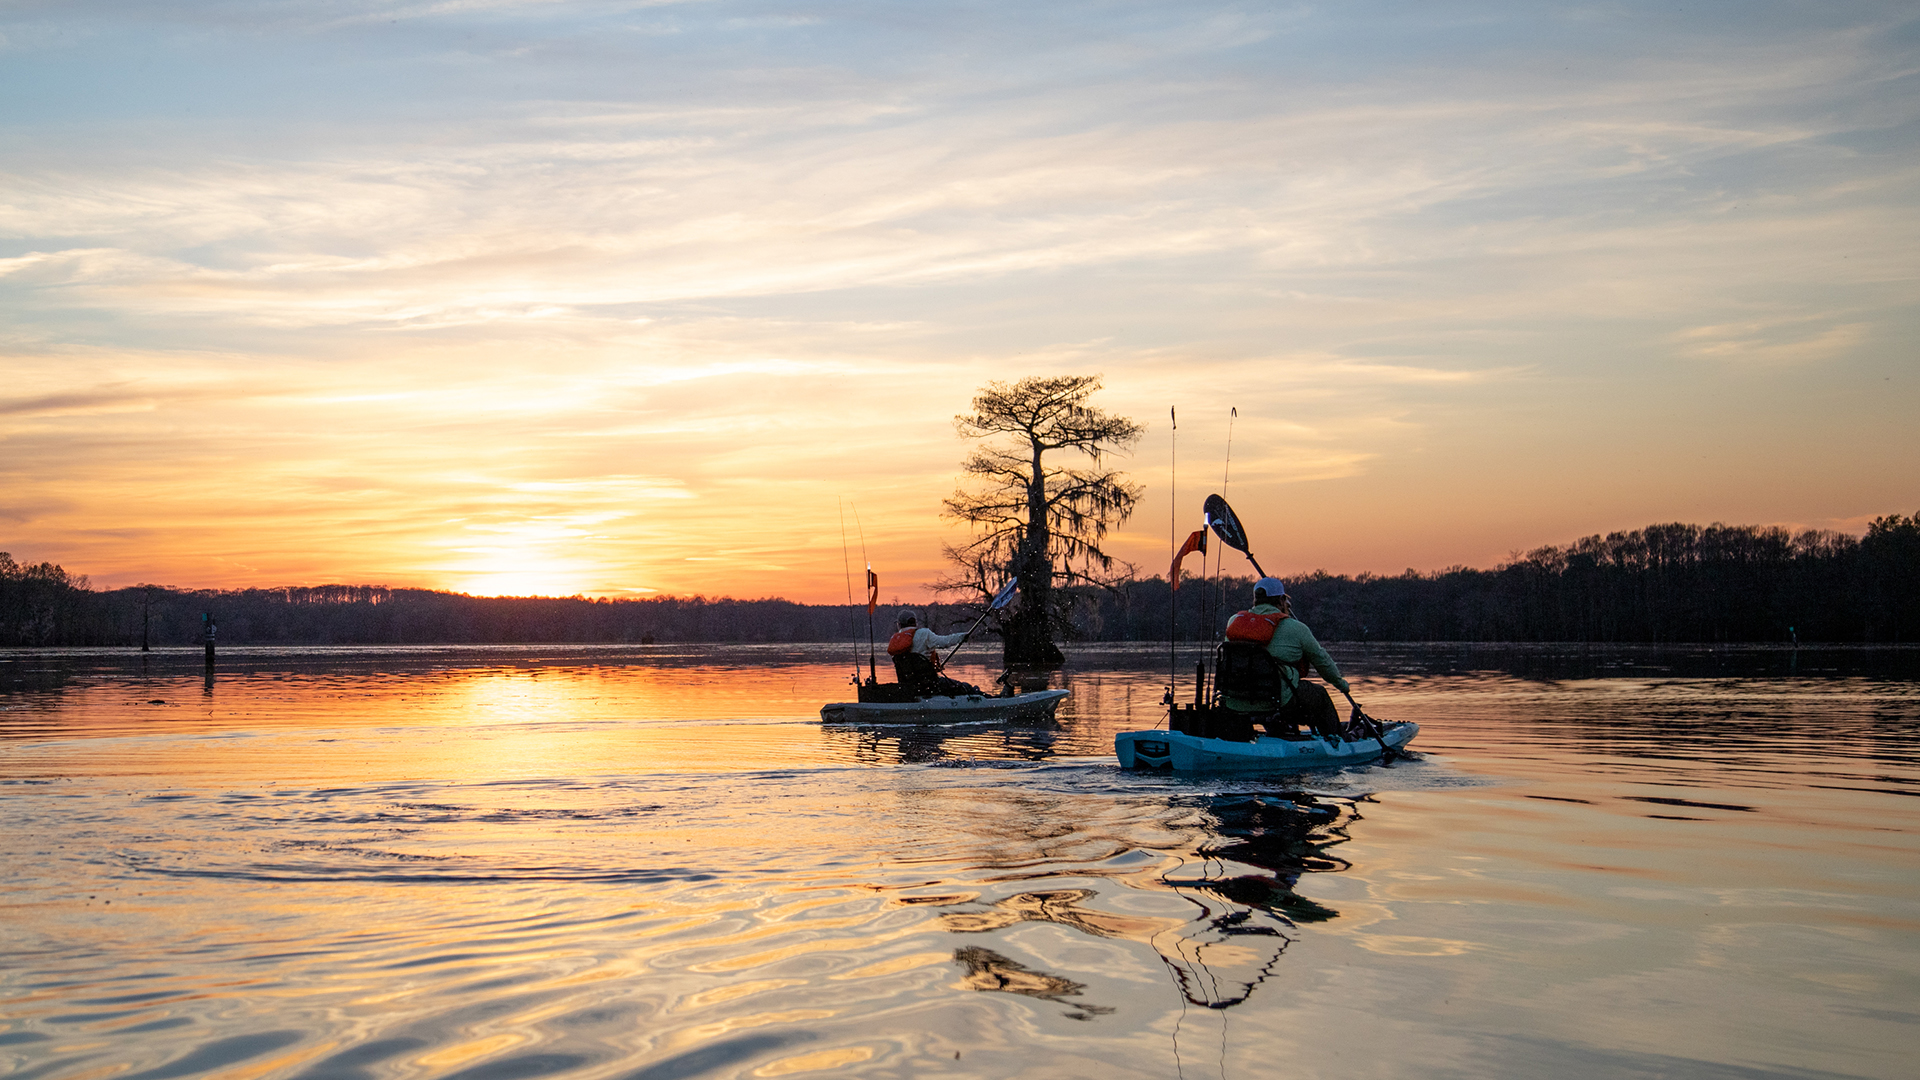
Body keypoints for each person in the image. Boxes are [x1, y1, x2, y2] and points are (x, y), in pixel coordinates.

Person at [1215, 578, 1357, 738]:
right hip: (1276, 701)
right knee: (1319, 695)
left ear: (1255, 599)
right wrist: (1341, 684)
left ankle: (1272, 731)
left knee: (1276, 689)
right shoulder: (1296, 628)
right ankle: (1337, 740)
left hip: (1235, 699)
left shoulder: (1234, 622)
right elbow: (1322, 661)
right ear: (1282, 600)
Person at [887, 609, 984, 698]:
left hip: (910, 687)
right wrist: (962, 637)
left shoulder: (896, 642)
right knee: (966, 687)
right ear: (915, 622)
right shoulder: (923, 634)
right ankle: (991, 700)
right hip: (931, 685)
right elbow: (944, 642)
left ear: (899, 624)